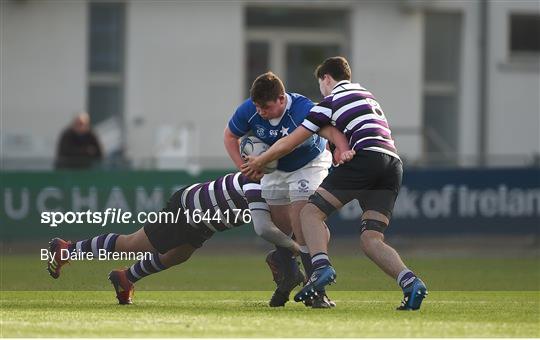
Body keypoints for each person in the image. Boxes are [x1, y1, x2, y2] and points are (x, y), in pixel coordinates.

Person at [242, 57, 428, 311]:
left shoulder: (329, 102)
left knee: (309, 212)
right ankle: (411, 283)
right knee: (371, 239)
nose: (322, 90)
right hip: (393, 164)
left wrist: (259, 162)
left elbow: (291, 141)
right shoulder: (366, 94)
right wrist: (341, 149)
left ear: (326, 79)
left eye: (321, 84)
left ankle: (320, 268)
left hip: (368, 158)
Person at [47, 172, 304, 306]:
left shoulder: (278, 182)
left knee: (179, 254)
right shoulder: (261, 181)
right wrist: (295, 250)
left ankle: (126, 277)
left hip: (205, 219)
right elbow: (266, 228)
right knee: (134, 243)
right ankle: (67, 249)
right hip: (189, 209)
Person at [224, 72, 351, 308]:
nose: (260, 112)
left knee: (302, 221)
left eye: (266, 107)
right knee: (280, 229)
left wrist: (341, 148)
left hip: (309, 165)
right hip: (276, 169)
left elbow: (331, 131)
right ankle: (290, 273)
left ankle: (317, 292)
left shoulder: (304, 108)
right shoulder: (249, 109)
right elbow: (230, 136)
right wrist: (243, 168)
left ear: (281, 99)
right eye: (257, 107)